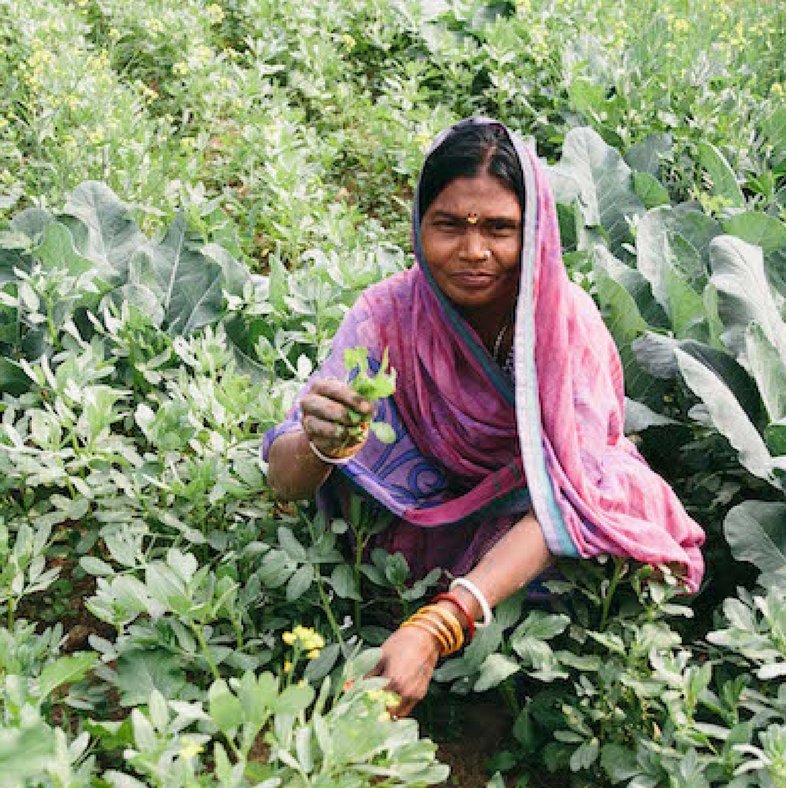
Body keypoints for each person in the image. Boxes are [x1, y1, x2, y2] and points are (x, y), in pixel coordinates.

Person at [263, 118, 705, 717]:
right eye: (449, 226)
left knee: (592, 561)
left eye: (500, 229)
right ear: (420, 226)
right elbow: (285, 484)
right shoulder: (389, 315)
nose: (474, 253)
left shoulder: (562, 325)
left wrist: (440, 624)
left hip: (533, 528)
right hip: (421, 522)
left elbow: (568, 500)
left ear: (536, 232)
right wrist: (320, 443)